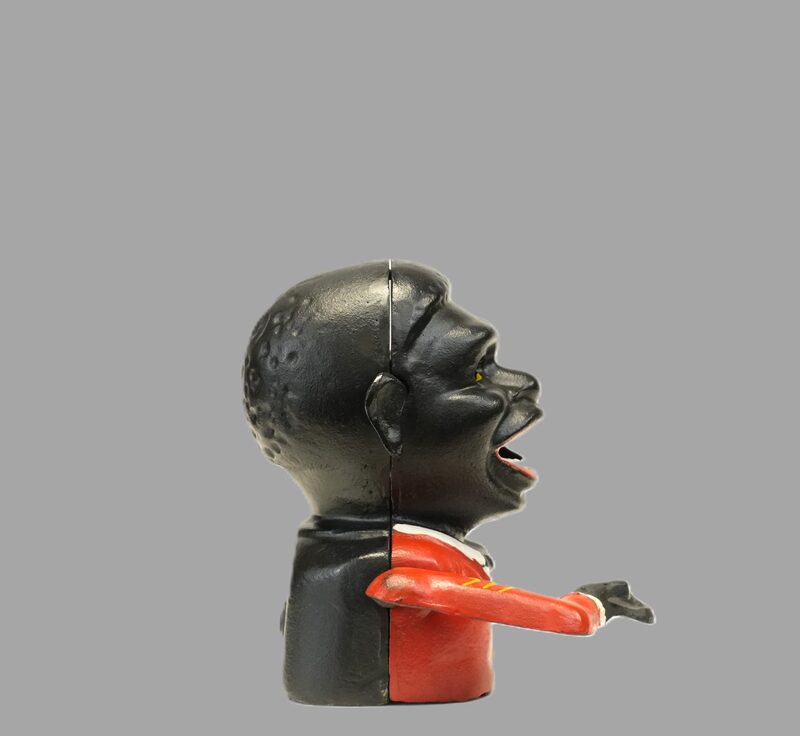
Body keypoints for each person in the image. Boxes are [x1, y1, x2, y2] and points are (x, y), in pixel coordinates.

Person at [243, 260, 654, 705]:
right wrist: (591, 606)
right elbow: (552, 616)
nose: (524, 384)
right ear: (390, 415)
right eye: (477, 373)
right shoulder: (394, 566)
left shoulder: (324, 556)